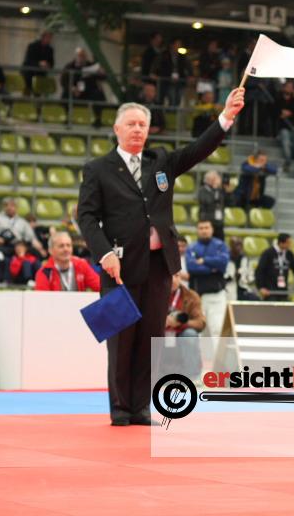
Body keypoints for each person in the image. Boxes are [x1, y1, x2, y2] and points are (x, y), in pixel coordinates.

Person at [77, 87, 244, 427]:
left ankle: (141, 408)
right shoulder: (98, 169)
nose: (137, 129)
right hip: (119, 266)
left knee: (150, 338)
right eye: (131, 124)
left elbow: (198, 149)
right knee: (121, 340)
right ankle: (120, 408)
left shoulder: (161, 161)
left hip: (158, 266)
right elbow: (87, 217)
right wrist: (104, 253)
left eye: (143, 124)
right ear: (117, 129)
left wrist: (225, 117)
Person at [185, 221, 230, 338]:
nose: (204, 231)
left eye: (206, 228)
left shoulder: (220, 245)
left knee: (217, 329)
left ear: (212, 229)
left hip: (216, 295)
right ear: (197, 230)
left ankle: (216, 352)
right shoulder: (191, 247)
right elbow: (192, 267)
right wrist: (213, 269)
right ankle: (196, 352)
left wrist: (204, 260)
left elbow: (223, 263)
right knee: (197, 330)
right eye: (201, 228)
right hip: (196, 296)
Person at [164, 272, 206, 380]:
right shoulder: (154, 293)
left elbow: (201, 322)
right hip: (159, 333)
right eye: (170, 276)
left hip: (179, 333)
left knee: (190, 334)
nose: (173, 280)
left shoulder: (190, 296)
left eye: (177, 276)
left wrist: (181, 323)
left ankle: (193, 377)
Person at [33, 232, 101, 292]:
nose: (66, 249)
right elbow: (42, 300)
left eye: (68, 245)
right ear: (50, 250)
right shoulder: (44, 273)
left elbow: (100, 287)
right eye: (61, 246)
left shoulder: (81, 265)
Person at [255, 233, 294, 301]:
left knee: (285, 305)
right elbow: (260, 270)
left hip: (283, 289)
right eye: (288, 243)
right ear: (281, 243)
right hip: (269, 289)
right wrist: (261, 287)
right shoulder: (268, 253)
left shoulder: (289, 254)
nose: (290, 245)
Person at [225, 237, 258, 302]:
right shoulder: (225, 259)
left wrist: (247, 278)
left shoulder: (245, 259)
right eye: (236, 245)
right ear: (231, 246)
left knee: (256, 299)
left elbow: (250, 277)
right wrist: (233, 275)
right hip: (228, 290)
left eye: (240, 245)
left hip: (243, 289)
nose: (239, 247)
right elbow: (223, 277)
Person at [198, 170, 226, 239]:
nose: (219, 181)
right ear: (211, 180)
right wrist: (215, 190)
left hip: (219, 222)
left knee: (219, 241)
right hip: (207, 222)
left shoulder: (219, 190)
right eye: (217, 179)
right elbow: (208, 202)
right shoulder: (202, 190)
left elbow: (225, 202)